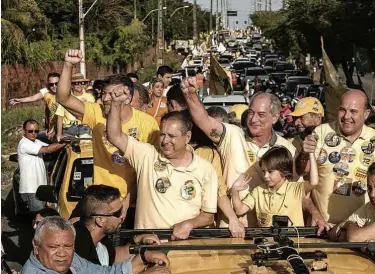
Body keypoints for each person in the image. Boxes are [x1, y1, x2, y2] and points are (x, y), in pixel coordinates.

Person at [181, 78, 311, 227]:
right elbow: (204, 120)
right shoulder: (232, 135)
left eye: (261, 115)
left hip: (268, 232)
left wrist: (315, 214)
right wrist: (190, 95)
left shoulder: (287, 148)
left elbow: (298, 191)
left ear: (274, 117)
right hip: (232, 227)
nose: (253, 119)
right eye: (250, 113)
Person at [106, 90, 218, 239]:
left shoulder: (205, 169)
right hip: (147, 246)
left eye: (172, 136)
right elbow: (114, 135)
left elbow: (208, 216)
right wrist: (115, 104)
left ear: (187, 137)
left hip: (186, 250)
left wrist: (189, 224)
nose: (165, 141)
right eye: (162, 134)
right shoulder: (146, 155)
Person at [56, 49, 159, 209]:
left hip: (134, 202)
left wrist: (127, 202)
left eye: (112, 94)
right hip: (101, 200)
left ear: (128, 97)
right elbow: (63, 98)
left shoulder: (147, 123)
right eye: (104, 93)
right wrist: (68, 65)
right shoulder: (96, 111)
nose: (105, 98)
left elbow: (149, 168)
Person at [296, 90, 375, 225]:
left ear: (366, 114)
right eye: (343, 110)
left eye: (353, 111)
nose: (346, 116)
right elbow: (303, 173)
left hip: (362, 230)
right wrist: (304, 153)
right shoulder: (321, 132)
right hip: (322, 227)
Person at [12, 216, 171, 274]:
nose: (62, 253)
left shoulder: (69, 258)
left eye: (68, 246)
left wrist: (142, 258)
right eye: (53, 247)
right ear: (36, 246)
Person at [166, 87, 245, 237]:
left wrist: (233, 219)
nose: (167, 139)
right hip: (165, 227)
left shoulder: (207, 154)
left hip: (198, 229)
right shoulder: (160, 153)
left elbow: (219, 190)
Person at [75, 185, 162, 266]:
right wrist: (142, 262)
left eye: (122, 210)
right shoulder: (80, 250)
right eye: (118, 213)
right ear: (100, 220)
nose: (123, 215)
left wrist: (137, 241)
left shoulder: (99, 238)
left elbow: (113, 255)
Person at [231, 146, 318, 227]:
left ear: (283, 171)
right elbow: (240, 210)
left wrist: (311, 154)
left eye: (270, 171)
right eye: (264, 171)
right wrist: (235, 190)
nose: (265, 176)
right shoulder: (258, 191)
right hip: (266, 242)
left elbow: (314, 183)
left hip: (293, 241)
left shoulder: (295, 189)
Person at [18, 119, 67, 212]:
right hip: (31, 189)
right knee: (39, 218)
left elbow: (53, 147)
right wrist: (65, 142)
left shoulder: (35, 142)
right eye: (30, 131)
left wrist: (63, 145)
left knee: (42, 217)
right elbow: (48, 149)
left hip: (40, 188)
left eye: (36, 131)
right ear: (24, 131)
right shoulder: (24, 144)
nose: (33, 133)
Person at [9, 72, 60, 138]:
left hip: (64, 124)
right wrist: (20, 100)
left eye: (57, 83)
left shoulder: (66, 92)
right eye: (51, 84)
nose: (54, 86)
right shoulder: (46, 91)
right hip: (52, 123)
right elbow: (33, 97)